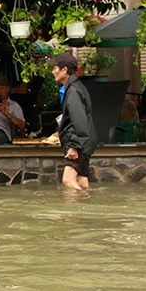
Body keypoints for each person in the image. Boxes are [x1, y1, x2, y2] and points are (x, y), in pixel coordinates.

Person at [49, 52, 96, 191]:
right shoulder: (76, 87)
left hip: (78, 143)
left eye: (55, 68)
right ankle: (87, 203)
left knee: (68, 181)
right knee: (81, 181)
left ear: (64, 70)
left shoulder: (73, 91)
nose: (53, 72)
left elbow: (79, 120)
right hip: (84, 142)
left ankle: (75, 206)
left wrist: (74, 146)